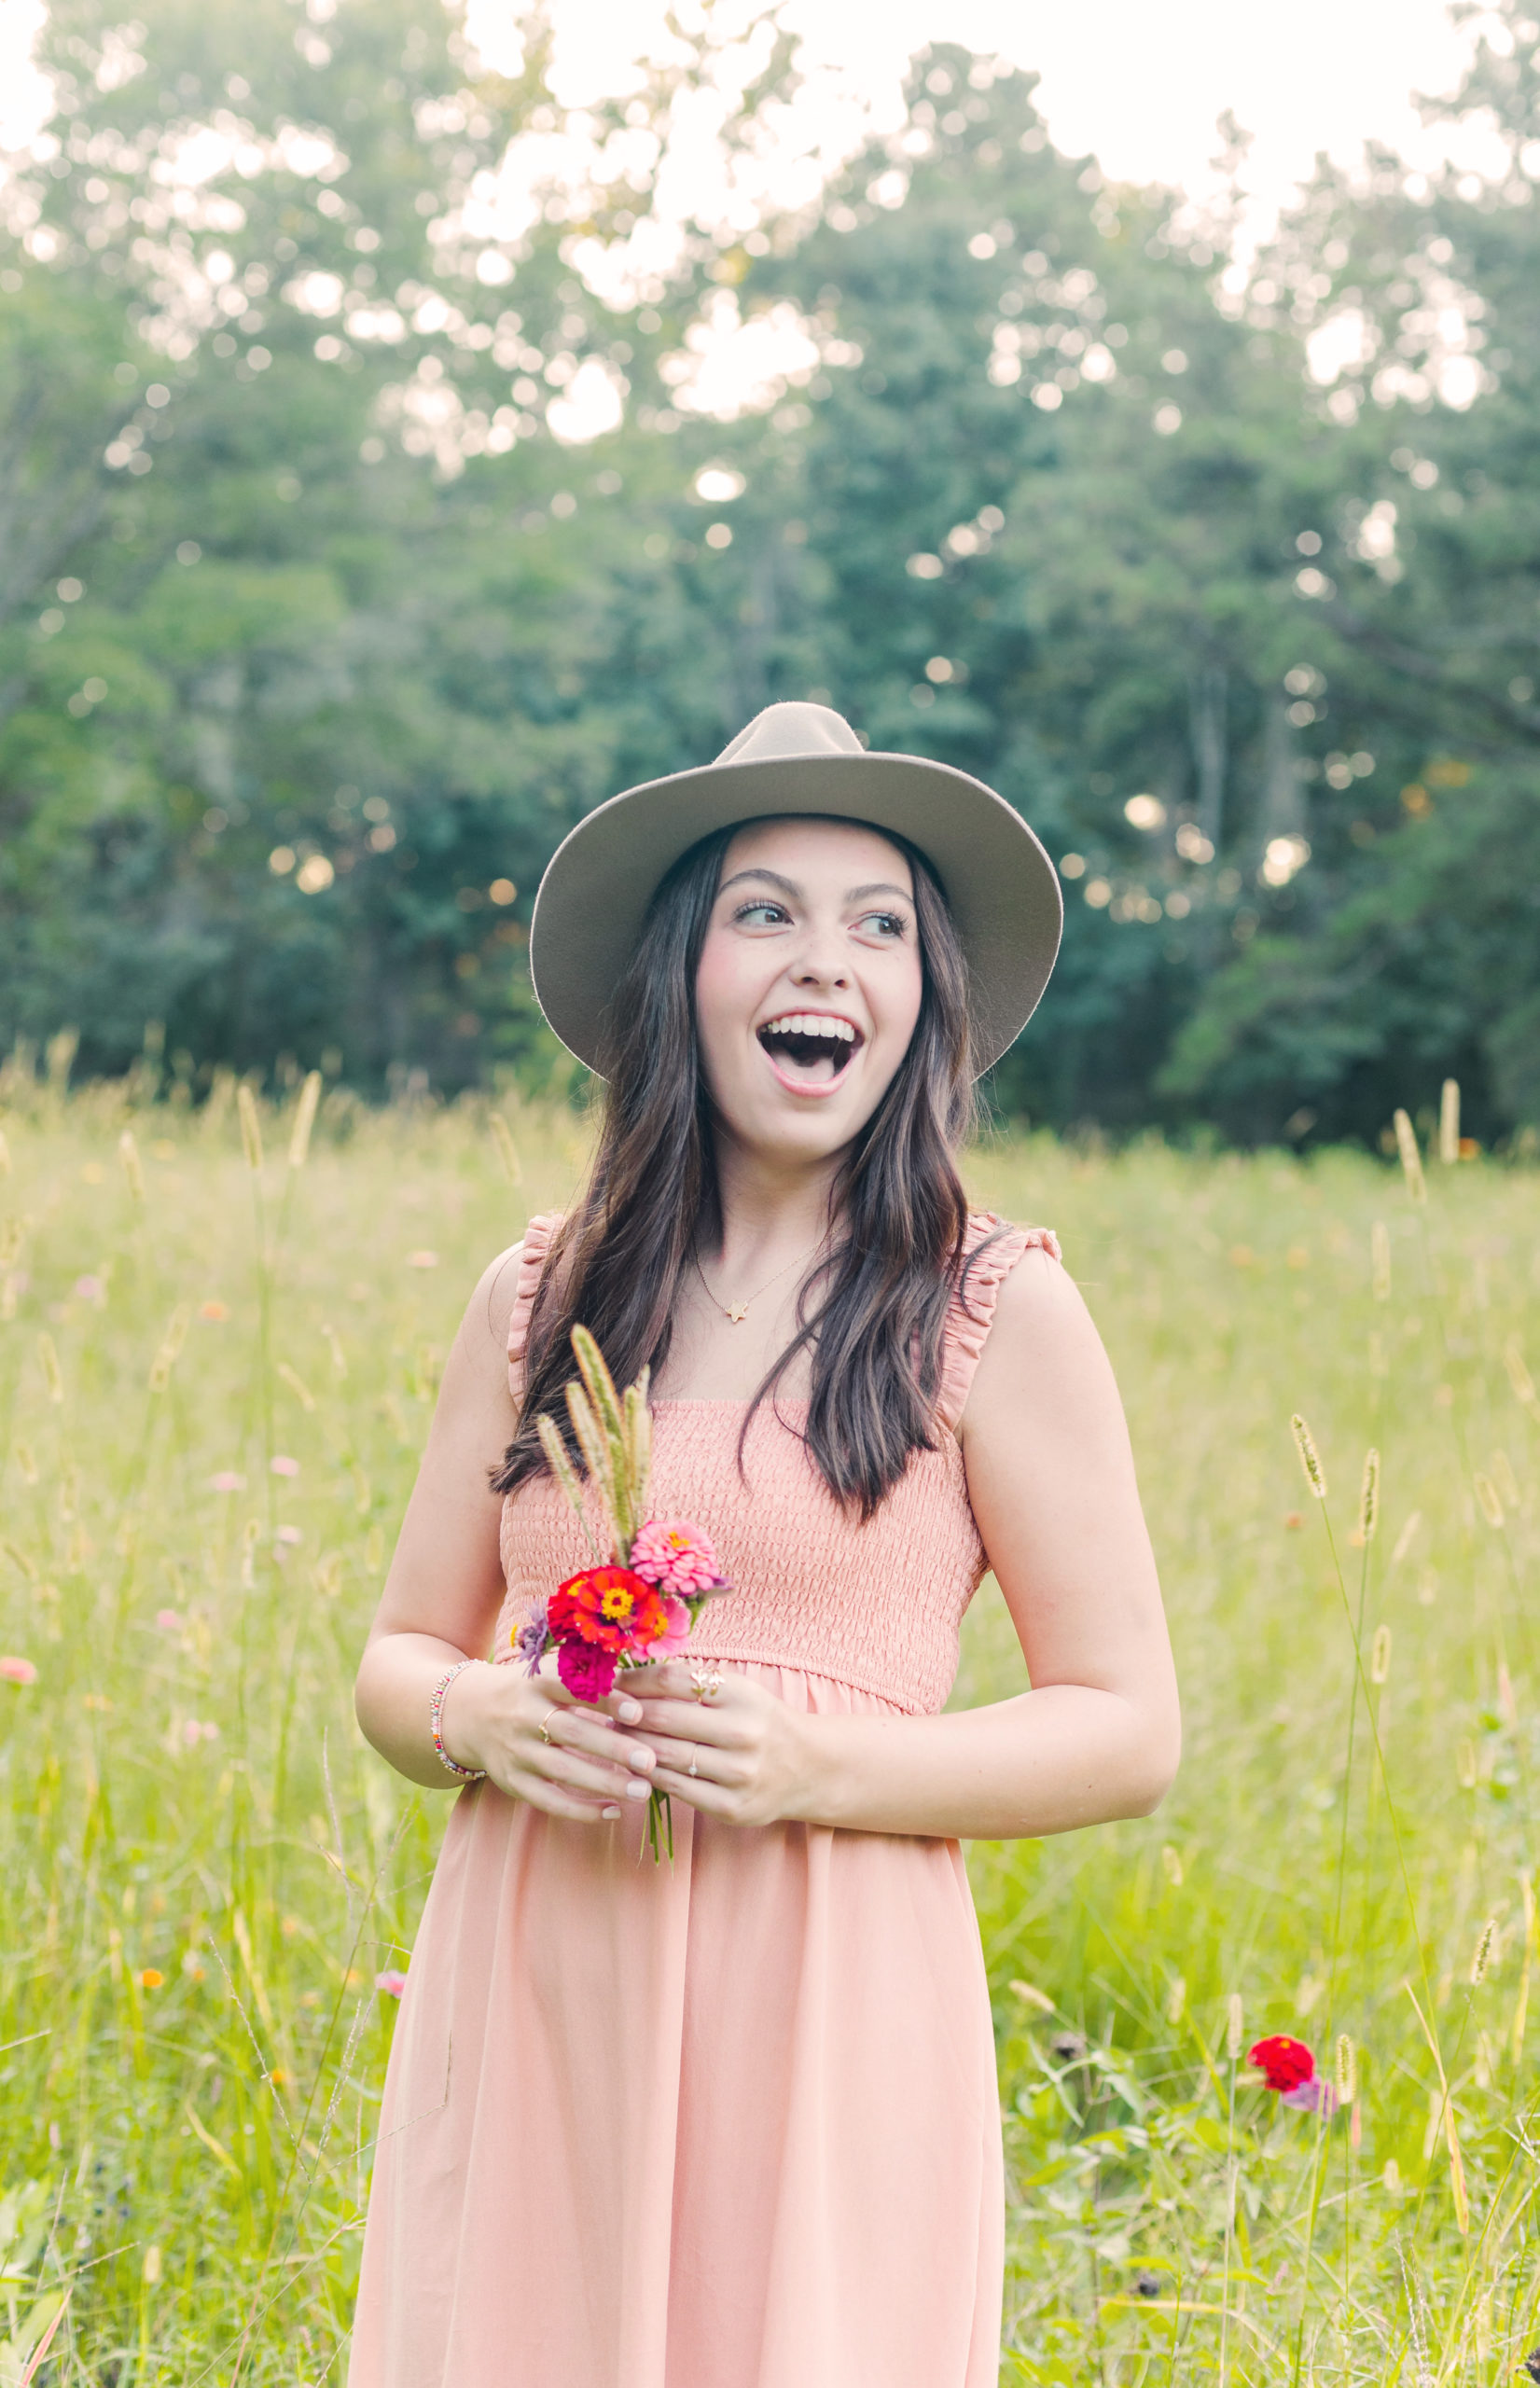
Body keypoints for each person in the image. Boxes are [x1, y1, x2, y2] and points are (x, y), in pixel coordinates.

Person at [348, 701, 1179, 2388]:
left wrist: (812, 1765)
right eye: (767, 913)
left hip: (829, 2011)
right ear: (684, 976)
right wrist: (475, 1720)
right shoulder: (539, 1299)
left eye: (882, 925)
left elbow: (1126, 1726)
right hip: (545, 1994)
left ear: (923, 1001)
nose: (830, 961)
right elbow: (396, 1661)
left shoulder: (990, 1306)